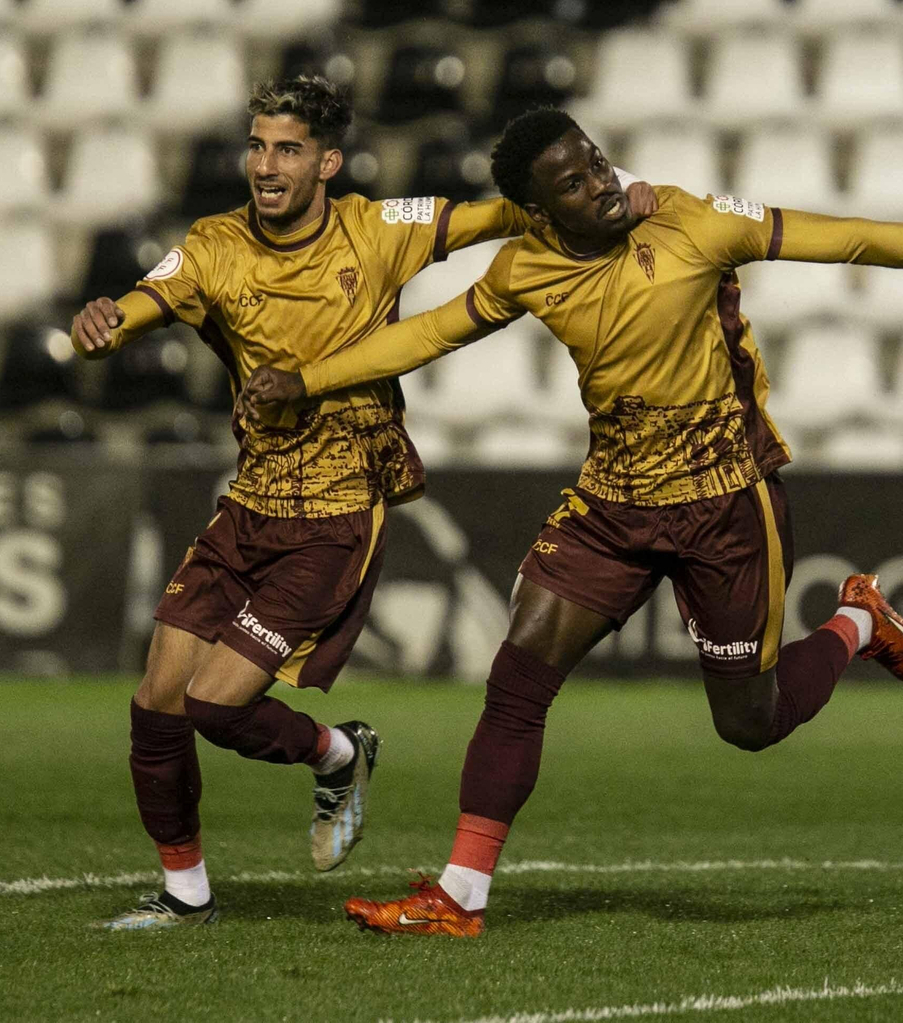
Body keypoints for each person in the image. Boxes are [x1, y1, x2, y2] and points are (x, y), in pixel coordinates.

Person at [240, 107, 903, 936]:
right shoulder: (524, 269)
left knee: (749, 724)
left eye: (594, 162)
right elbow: (424, 335)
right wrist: (307, 381)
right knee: (518, 680)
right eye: (572, 181)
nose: (599, 182)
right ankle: (459, 897)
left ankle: (856, 621)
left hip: (724, 503)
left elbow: (849, 238)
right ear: (539, 209)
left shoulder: (690, 224)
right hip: (613, 504)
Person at [68, 77, 656, 930]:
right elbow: (147, 299)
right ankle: (185, 895)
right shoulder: (212, 244)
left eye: (288, 150)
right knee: (156, 698)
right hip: (250, 502)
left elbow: (502, 213)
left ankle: (337, 751)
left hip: (337, 509)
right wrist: (105, 322)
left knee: (212, 705)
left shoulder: (377, 230)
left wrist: (623, 190)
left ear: (328, 165)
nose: (266, 166)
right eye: (258, 146)